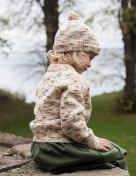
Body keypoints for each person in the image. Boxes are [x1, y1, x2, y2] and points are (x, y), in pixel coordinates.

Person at [29, 12, 128, 174]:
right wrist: (92, 141)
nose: (90, 64)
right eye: (90, 57)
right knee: (116, 153)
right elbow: (71, 122)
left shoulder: (48, 77)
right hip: (57, 151)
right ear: (78, 53)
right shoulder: (74, 81)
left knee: (107, 148)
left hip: (39, 148)